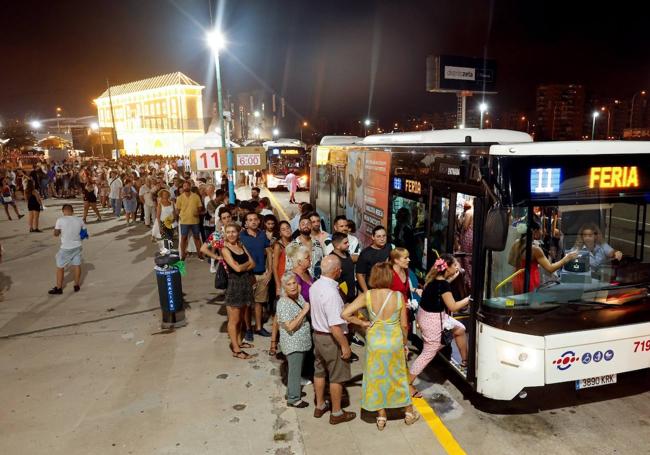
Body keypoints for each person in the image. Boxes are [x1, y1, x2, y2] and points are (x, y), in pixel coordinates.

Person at [341, 262, 419, 430]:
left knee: (376, 378)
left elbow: (345, 313)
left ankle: (381, 416)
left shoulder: (367, 296)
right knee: (399, 377)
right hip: (394, 341)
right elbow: (404, 325)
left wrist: (363, 322)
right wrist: (404, 343)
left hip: (375, 342)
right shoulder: (398, 296)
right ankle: (408, 412)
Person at [408, 255, 471, 394]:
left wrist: (457, 273)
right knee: (428, 353)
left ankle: (465, 362)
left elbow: (447, 280)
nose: (458, 267)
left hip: (428, 316)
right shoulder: (443, 286)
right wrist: (469, 299)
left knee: (460, 329)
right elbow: (453, 306)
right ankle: (407, 384)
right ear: (447, 268)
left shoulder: (433, 279)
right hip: (433, 320)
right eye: (455, 265)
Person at [309, 255, 356, 425]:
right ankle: (336, 413)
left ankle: (320, 405)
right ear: (336, 271)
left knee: (319, 371)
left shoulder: (315, 286)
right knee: (337, 376)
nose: (341, 271)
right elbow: (335, 327)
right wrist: (345, 346)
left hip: (318, 336)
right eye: (340, 269)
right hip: (331, 339)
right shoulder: (332, 293)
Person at [508, 220, 578, 294]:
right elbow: (550, 269)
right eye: (540, 229)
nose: (542, 232)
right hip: (530, 280)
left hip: (517, 279)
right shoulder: (535, 249)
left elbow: (511, 262)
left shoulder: (517, 243)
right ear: (535, 231)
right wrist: (567, 258)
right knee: (530, 302)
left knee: (519, 302)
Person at [220, 223, 256, 359]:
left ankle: (239, 342)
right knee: (233, 320)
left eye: (233, 232)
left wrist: (243, 266)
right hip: (234, 286)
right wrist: (245, 265)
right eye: (228, 232)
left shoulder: (241, 246)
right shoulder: (225, 249)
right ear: (225, 234)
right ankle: (236, 349)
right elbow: (237, 269)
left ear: (238, 233)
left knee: (241, 317)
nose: (231, 234)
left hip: (245, 285)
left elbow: (253, 263)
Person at [276, 272, 312, 408]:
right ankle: (293, 398)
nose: (292, 286)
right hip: (293, 343)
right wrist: (304, 311)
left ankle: (292, 391)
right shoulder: (283, 303)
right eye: (288, 284)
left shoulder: (298, 296)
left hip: (300, 342)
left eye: (294, 283)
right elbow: (290, 326)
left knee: (296, 370)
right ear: (284, 287)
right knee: (295, 371)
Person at [240, 212, 272, 341]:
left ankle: (259, 327)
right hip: (248, 276)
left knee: (259, 303)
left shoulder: (262, 234)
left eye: (255, 219)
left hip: (262, 274)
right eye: (250, 220)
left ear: (259, 221)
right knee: (248, 304)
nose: (253, 222)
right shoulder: (241, 236)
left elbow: (269, 252)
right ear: (246, 223)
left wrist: (269, 272)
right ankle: (248, 329)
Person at [49, 204, 86, 295]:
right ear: (72, 211)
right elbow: (84, 232)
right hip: (77, 246)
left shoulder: (60, 220)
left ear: (63, 211)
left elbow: (56, 234)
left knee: (60, 267)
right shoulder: (79, 219)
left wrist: (59, 230)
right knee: (77, 265)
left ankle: (59, 288)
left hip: (66, 247)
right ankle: (76, 285)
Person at [270, 220, 294, 356]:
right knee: (278, 314)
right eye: (283, 228)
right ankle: (273, 342)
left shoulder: (294, 243)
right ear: (279, 232)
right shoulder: (278, 245)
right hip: (283, 282)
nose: (286, 230)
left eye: (288, 227)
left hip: (292, 281)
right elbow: (274, 266)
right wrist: (278, 285)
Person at [287, 214, 324, 279]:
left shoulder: (317, 244)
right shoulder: (292, 245)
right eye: (303, 224)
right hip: (300, 282)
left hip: (316, 283)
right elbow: (288, 269)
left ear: (311, 227)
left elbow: (322, 263)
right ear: (299, 227)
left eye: (308, 224)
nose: (306, 226)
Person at [356, 225, 391, 292]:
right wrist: (366, 292)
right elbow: (360, 275)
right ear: (373, 237)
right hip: (371, 289)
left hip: (386, 287)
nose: (382, 239)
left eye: (384, 236)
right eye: (379, 236)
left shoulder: (389, 247)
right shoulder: (365, 253)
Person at [175, 180, 204, 260]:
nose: (186, 187)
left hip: (195, 221)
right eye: (184, 186)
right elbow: (177, 210)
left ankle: (200, 254)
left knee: (197, 238)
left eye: (187, 186)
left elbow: (200, 207)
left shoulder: (196, 196)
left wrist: (197, 211)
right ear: (183, 187)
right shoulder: (180, 198)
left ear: (190, 186)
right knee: (183, 238)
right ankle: (183, 255)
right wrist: (180, 215)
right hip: (184, 221)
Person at [329, 232, 356, 303]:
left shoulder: (346, 253)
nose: (348, 244)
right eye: (345, 243)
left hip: (352, 296)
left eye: (348, 242)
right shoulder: (333, 259)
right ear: (337, 246)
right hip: (342, 299)